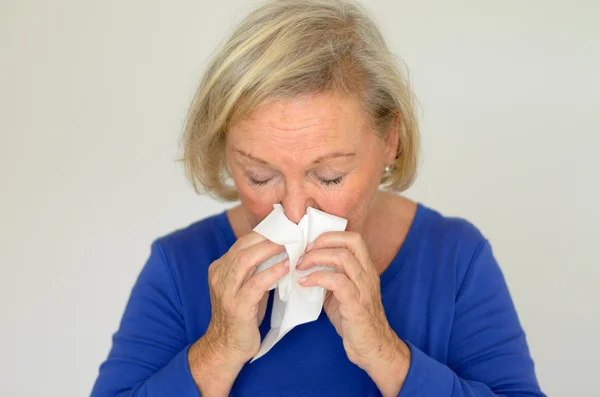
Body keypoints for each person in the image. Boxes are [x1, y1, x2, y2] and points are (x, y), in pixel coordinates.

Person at [90, 0, 545, 396]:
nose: (292, 211)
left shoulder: (455, 259)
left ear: (390, 141)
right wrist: (220, 348)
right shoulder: (179, 264)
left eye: (328, 177)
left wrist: (386, 354)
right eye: (259, 175)